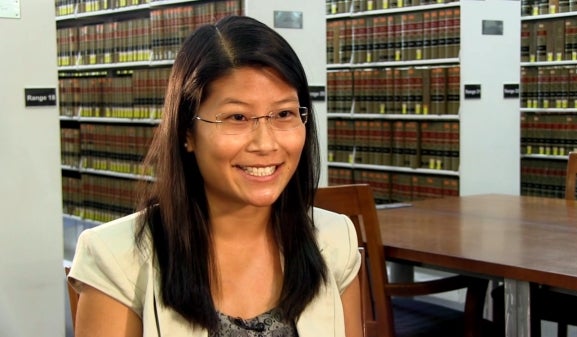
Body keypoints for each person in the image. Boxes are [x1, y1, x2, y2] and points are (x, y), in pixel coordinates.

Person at [68, 15, 362, 337]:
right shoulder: (116, 259)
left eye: (284, 114)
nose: (266, 144)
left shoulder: (334, 241)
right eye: (237, 117)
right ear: (187, 132)